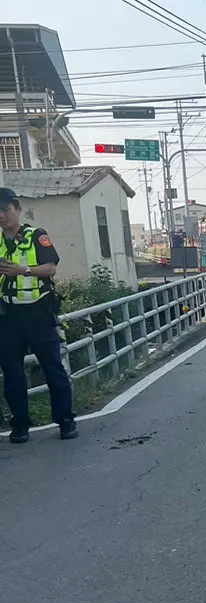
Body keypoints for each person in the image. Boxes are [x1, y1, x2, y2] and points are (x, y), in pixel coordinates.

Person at [0, 188, 77, 443]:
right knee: (11, 372)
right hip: (8, 314)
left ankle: (65, 420)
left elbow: (51, 268)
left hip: (38, 311)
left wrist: (23, 270)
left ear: (17, 208)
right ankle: (20, 424)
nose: (1, 216)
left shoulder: (36, 236)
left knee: (52, 366)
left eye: (5, 210)